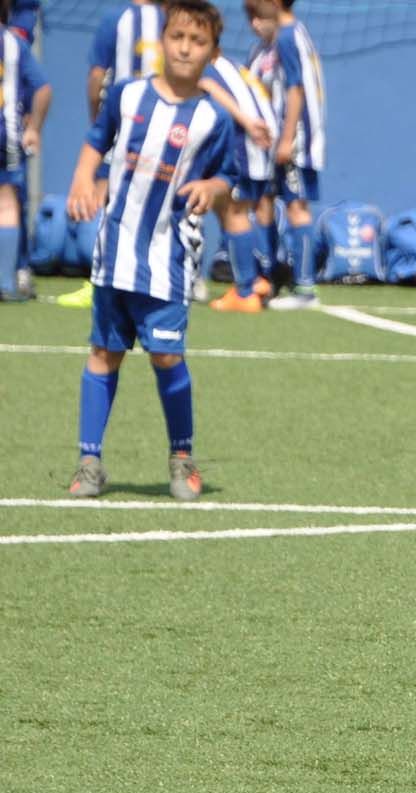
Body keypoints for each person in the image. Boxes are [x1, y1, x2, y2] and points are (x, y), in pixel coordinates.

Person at [65, 0, 237, 502]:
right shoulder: (127, 94)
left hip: (168, 259)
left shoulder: (213, 119)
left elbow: (230, 176)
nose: (185, 48)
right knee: (103, 354)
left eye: (197, 41)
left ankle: (182, 459)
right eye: (178, 37)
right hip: (115, 252)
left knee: (167, 356)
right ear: (163, 40)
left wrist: (212, 187)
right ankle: (90, 462)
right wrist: (82, 176)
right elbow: (97, 139)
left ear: (212, 52)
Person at [58, 0, 165, 310]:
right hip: (171, 123)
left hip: (126, 124)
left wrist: (99, 120)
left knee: (106, 197)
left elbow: (96, 78)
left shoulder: (115, 19)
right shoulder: (173, 17)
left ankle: (100, 281)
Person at [201, 6, 279, 313]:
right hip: (257, 144)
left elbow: (209, 89)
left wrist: (246, 123)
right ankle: (256, 279)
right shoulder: (231, 64)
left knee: (234, 211)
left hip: (244, 143)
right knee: (234, 210)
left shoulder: (205, 69)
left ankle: (245, 290)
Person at [249, 0, 324, 309]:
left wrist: (288, 137)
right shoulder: (272, 41)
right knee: (263, 203)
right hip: (271, 142)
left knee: (296, 206)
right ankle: (269, 277)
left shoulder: (289, 36)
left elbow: (296, 89)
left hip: (293, 142)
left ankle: (305, 288)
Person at [0, 0, 50, 301]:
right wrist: (33, 129)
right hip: (6, 133)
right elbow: (43, 88)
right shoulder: (14, 43)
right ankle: (7, 281)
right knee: (7, 202)